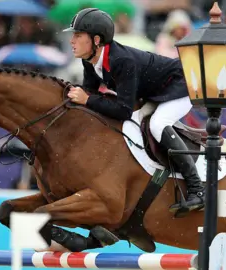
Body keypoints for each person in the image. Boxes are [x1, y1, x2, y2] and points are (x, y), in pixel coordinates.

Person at [63, 8, 205, 213]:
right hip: (155, 92)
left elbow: (122, 110)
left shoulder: (121, 61)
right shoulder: (90, 60)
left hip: (181, 84)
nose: (71, 41)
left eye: (77, 35)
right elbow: (90, 94)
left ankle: (196, 189)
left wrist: (87, 99)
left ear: (95, 40)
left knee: (157, 124)